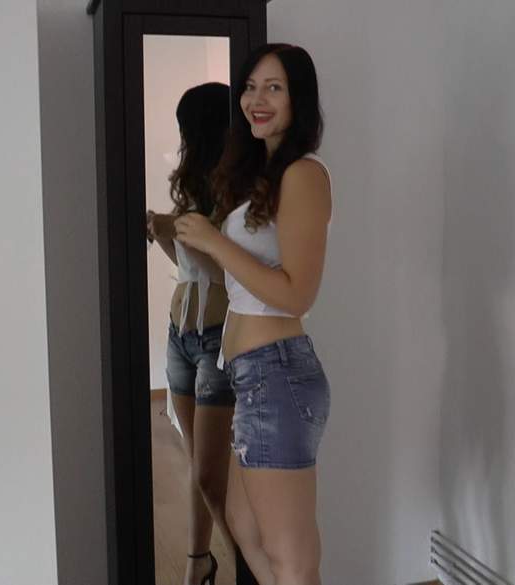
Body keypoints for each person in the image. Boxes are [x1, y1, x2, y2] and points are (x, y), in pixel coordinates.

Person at [173, 44, 333, 585]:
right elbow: (248, 283)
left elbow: (297, 294)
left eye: (274, 88)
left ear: (298, 100)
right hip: (252, 374)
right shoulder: (263, 175)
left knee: (292, 558)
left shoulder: (304, 174)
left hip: (276, 372)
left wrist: (215, 242)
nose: (256, 100)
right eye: (249, 87)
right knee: (243, 524)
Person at [146, 82, 236, 585]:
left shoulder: (239, 193)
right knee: (196, 464)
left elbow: (232, 275)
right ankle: (196, 565)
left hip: (220, 338)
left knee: (209, 475)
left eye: (186, 129)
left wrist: (180, 230)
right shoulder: (194, 190)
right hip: (180, 334)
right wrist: (167, 234)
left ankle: (248, 569)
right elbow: (189, 270)